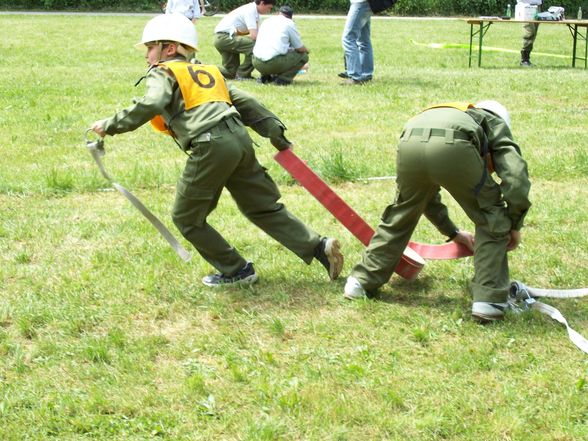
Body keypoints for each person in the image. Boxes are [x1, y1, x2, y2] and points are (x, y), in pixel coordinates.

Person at [90, 14, 344, 287]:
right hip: (239, 139)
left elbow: (154, 101)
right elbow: (246, 103)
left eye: (150, 48)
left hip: (210, 144)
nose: (147, 55)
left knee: (186, 218)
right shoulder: (208, 72)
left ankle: (237, 270)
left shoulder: (164, 71)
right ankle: (319, 247)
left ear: (169, 48)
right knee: (261, 207)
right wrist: (276, 135)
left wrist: (110, 125)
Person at [343, 101, 531, 322]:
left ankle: (360, 282)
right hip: (455, 145)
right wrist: (514, 223)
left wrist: (453, 233)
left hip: (409, 137)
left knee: (402, 211)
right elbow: (517, 179)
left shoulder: (458, 112)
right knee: (492, 216)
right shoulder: (494, 123)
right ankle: (489, 301)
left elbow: (427, 199)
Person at [213, 0, 275, 80]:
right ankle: (243, 74)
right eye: (269, 8)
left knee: (230, 73)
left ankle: (201, 67)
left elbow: (260, 33)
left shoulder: (254, 12)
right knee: (257, 47)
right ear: (262, 3)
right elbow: (254, 36)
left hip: (221, 38)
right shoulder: (250, 11)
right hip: (224, 38)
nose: (269, 11)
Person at [252, 5, 309, 86]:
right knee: (303, 56)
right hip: (272, 64)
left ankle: (264, 77)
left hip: (256, 62)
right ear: (290, 17)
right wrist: (307, 51)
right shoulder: (289, 23)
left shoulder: (267, 21)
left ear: (277, 13)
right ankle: (283, 80)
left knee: (270, 51)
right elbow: (299, 48)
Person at [340, 0, 373, 85]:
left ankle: (355, 76)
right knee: (363, 39)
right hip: (366, 3)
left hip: (360, 3)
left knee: (348, 38)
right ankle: (366, 74)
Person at [518, 0, 542, 66]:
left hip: (537, 6)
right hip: (526, 6)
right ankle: (524, 60)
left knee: (533, 34)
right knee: (530, 33)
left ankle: (527, 59)